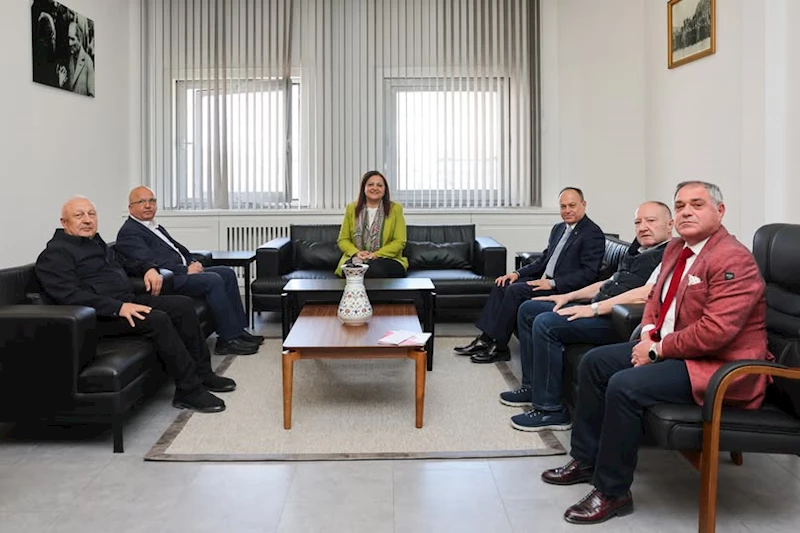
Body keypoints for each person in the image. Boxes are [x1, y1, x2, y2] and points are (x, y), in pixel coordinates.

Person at [542, 181, 773, 525]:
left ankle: (613, 492)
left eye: (697, 204)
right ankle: (586, 459)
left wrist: (657, 349)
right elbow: (654, 299)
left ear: (720, 211)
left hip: (717, 367)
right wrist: (649, 332)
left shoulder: (733, 258)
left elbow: (716, 332)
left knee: (624, 385)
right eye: (680, 206)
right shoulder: (676, 248)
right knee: (594, 363)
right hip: (675, 351)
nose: (686, 212)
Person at [36, 196, 235, 413]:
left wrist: (148, 268)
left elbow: (126, 263)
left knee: (183, 306)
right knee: (157, 319)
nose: (87, 220)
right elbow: (70, 296)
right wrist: (118, 308)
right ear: (64, 222)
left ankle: (203, 374)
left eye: (91, 214)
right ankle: (188, 390)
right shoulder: (54, 255)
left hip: (126, 300)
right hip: (100, 316)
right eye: (79, 215)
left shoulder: (96, 243)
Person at [501, 201, 673, 431]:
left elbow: (646, 294)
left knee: (546, 324)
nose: (643, 227)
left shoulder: (671, 254)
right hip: (598, 307)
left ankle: (551, 410)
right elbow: (610, 281)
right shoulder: (638, 250)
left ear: (670, 225)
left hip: (619, 321)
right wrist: (568, 297)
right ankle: (533, 387)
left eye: (651, 221)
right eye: (638, 222)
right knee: (528, 309)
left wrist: (592, 308)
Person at [456, 187, 606, 364]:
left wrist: (553, 283)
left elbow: (588, 274)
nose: (567, 210)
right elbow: (543, 260)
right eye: (563, 206)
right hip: (545, 281)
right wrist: (516, 273)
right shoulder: (559, 228)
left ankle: (500, 347)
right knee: (503, 284)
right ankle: (485, 339)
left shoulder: (592, 233)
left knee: (514, 291)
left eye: (572, 205)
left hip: (564, 288)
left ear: (583, 204)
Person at [115, 186, 262, 356]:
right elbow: (149, 263)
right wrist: (185, 270)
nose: (148, 205)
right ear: (130, 208)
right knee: (212, 280)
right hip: (168, 279)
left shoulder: (153, 226)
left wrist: (192, 261)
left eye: (152, 201)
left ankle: (237, 330)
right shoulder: (129, 233)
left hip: (180, 271)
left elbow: (177, 250)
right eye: (142, 202)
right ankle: (227, 341)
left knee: (227, 273)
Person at [335, 170, 408, 278]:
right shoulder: (352, 208)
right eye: (370, 184)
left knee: (373, 269)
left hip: (387, 259)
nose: (375, 188)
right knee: (354, 270)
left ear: (385, 189)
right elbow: (343, 240)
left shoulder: (395, 209)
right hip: (357, 258)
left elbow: (399, 241)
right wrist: (356, 253)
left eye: (379, 185)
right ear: (364, 188)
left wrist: (375, 255)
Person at [65, 21, 94, 96]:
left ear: (80, 40)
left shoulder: (88, 62)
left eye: (72, 39)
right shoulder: (68, 59)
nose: (69, 43)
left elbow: (92, 94)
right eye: (69, 38)